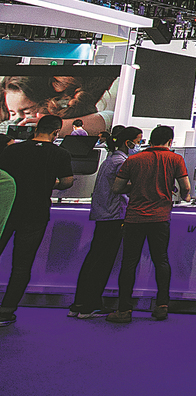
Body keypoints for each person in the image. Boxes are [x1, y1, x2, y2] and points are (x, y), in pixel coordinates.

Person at [107, 125, 190, 323]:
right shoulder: (176, 159)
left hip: (134, 218)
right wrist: (185, 196)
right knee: (161, 260)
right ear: (170, 141)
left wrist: (137, 186)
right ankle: (161, 306)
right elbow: (185, 187)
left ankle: (124, 310)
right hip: (160, 218)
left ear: (150, 141)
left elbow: (117, 188)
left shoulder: (133, 160)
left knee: (129, 263)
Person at [0, 115, 73, 327]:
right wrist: (51, 182)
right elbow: (66, 182)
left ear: (35, 128)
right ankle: (6, 311)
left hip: (7, 210)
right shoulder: (60, 153)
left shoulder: (13, 150)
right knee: (22, 265)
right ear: (56, 132)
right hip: (36, 213)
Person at [68, 126, 140, 319]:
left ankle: (80, 303)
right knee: (103, 261)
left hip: (104, 214)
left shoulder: (111, 160)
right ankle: (89, 306)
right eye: (138, 141)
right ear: (128, 143)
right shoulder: (121, 162)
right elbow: (120, 187)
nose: (139, 145)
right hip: (113, 216)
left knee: (94, 259)